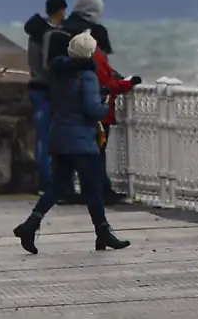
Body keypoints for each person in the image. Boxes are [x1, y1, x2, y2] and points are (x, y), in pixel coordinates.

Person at [11, 30, 130, 254]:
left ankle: (30, 225)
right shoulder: (86, 76)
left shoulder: (59, 73)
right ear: (90, 53)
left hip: (60, 136)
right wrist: (105, 102)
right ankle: (103, 233)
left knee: (57, 187)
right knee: (93, 188)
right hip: (81, 142)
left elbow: (68, 101)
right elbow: (92, 110)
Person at [46, 0, 136, 205]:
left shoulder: (59, 31)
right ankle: (99, 193)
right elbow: (102, 78)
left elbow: (52, 66)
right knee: (95, 152)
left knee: (65, 156)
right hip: (88, 109)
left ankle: (61, 192)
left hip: (61, 101)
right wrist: (120, 87)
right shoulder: (93, 38)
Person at [22, 0, 66, 199]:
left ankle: (45, 182)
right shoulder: (47, 34)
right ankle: (49, 183)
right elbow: (47, 63)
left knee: (42, 137)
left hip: (35, 86)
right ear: (59, 10)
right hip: (45, 88)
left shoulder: (35, 31)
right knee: (46, 138)